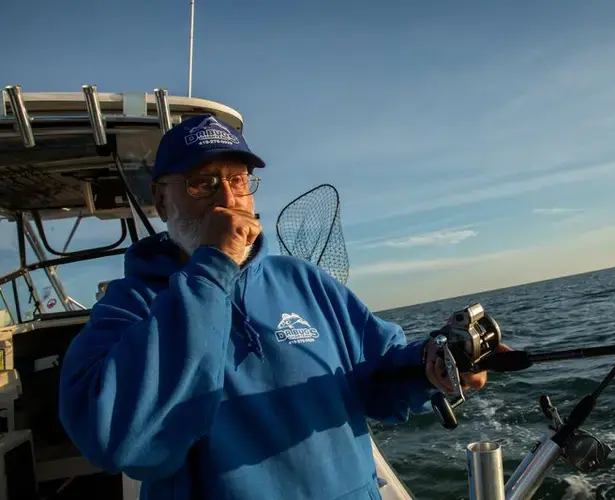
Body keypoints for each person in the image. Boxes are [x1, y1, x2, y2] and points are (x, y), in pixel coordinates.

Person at [58, 114, 505, 500]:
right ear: (161, 200)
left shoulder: (302, 280)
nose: (226, 200)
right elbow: (117, 440)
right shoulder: (131, 305)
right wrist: (213, 268)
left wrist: (432, 366)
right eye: (202, 183)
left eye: (237, 181)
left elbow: (378, 374)